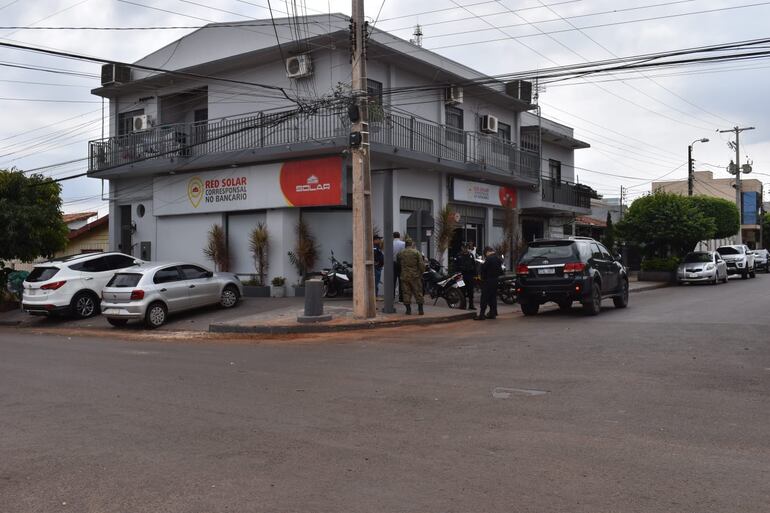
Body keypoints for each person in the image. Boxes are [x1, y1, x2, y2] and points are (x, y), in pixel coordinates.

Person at [397, 238, 425, 315]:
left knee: (406, 292)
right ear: (412, 244)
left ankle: (408, 310)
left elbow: (398, 263)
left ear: (405, 244)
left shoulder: (401, 253)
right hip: (415, 276)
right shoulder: (416, 252)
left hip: (404, 276)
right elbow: (421, 264)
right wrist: (421, 272)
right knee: (418, 292)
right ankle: (420, 309)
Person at [475, 246, 503, 320]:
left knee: (484, 297)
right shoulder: (498, 258)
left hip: (488, 281)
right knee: (493, 297)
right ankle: (492, 313)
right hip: (495, 280)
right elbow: (500, 271)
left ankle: (482, 315)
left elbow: (483, 269)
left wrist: (481, 276)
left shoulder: (489, 259)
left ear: (487, 252)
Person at [454, 242, 477, 310]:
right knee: (462, 291)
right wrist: (457, 275)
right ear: (462, 248)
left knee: (470, 291)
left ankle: (471, 305)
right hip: (460, 276)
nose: (465, 249)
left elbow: (474, 265)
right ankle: (463, 305)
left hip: (469, 276)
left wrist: (475, 275)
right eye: (464, 247)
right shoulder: (458, 256)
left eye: (466, 247)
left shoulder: (471, 255)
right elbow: (455, 267)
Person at [393, 231, 406, 302]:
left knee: (392, 281)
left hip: (393, 263)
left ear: (393, 236)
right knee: (401, 281)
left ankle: (392, 297)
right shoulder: (403, 244)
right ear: (399, 236)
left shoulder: (390, 243)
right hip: (401, 263)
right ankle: (401, 298)